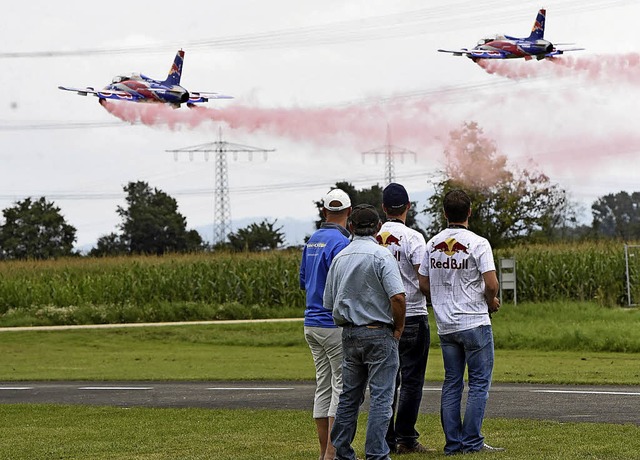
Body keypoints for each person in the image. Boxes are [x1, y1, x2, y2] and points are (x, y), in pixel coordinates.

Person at [417, 189, 504, 456]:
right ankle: (472, 441)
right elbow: (491, 283)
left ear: (444, 213)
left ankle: (453, 444)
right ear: (469, 212)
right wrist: (491, 300)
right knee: (478, 384)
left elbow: (422, 282)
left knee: (452, 382)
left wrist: (440, 298)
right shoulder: (479, 243)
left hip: (446, 325)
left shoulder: (432, 244)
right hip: (475, 321)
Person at [324, 204, 406, 460]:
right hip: (379, 332)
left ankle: (343, 452)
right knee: (382, 396)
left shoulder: (340, 257)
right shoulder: (382, 256)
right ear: (378, 228)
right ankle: (376, 453)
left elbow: (329, 301)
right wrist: (399, 326)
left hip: (349, 333)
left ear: (351, 227)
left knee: (350, 396)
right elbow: (398, 297)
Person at [376, 183, 434, 455]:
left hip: (381, 316)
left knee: (387, 382)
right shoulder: (413, 238)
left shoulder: (373, 236)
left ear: (384, 207)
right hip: (413, 314)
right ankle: (406, 438)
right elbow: (423, 279)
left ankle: (385, 438)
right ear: (408, 206)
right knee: (412, 381)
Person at [300, 188, 352, 460]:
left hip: (311, 322)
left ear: (324, 212)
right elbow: (343, 285)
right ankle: (333, 453)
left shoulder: (312, 241)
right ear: (349, 212)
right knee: (341, 387)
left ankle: (323, 452)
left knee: (323, 385)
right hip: (333, 323)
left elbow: (302, 281)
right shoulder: (341, 243)